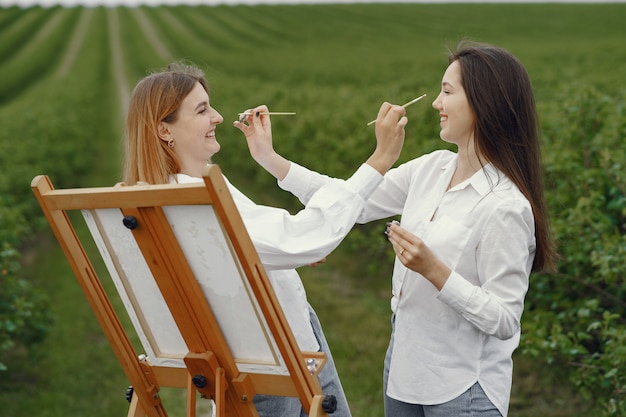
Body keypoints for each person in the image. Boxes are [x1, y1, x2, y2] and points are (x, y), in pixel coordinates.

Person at [260, 42, 557, 417]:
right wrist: (270, 159)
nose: (435, 103)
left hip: (463, 390)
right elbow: (353, 201)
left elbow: (503, 318)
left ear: (484, 102)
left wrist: (433, 270)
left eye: (447, 92)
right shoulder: (432, 168)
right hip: (402, 375)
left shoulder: (505, 206)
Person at [122, 61, 408, 417]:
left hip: (274, 345)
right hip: (267, 359)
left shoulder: (164, 194)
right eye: (202, 110)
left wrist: (287, 249)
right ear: (165, 130)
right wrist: (380, 159)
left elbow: (258, 244)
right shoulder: (193, 202)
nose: (219, 117)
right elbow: (303, 235)